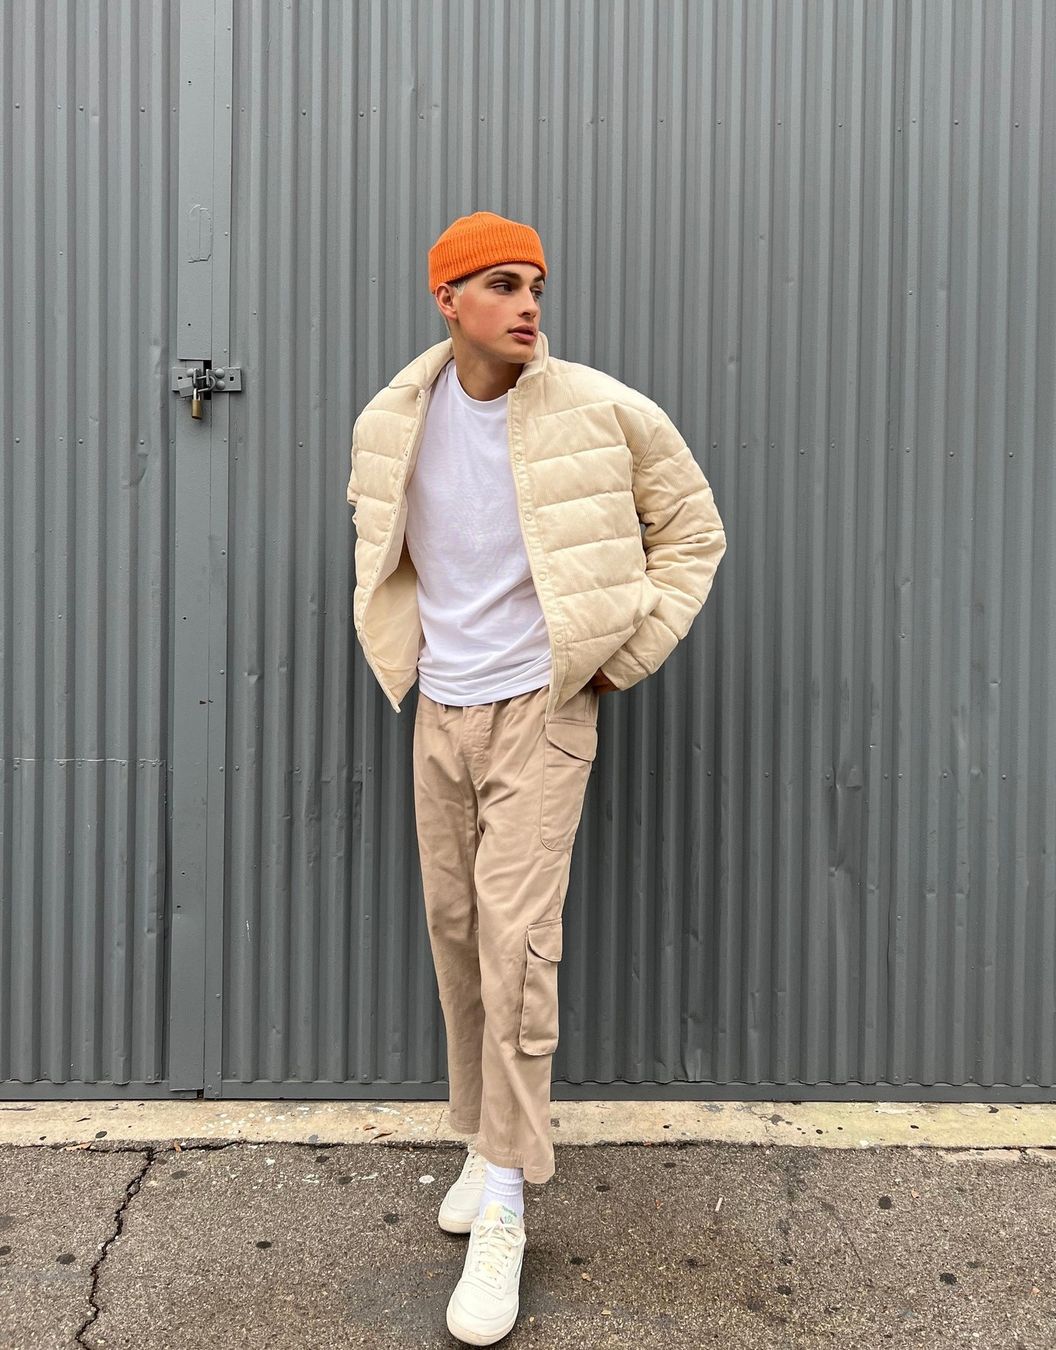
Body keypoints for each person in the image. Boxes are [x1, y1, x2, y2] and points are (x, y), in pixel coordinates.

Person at [346, 210, 726, 1346]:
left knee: (518, 944)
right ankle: (482, 1140)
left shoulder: (603, 410)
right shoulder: (392, 420)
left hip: (541, 713)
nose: (527, 305)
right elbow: (383, 548)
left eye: (537, 286)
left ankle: (508, 1197)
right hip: (441, 708)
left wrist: (621, 656)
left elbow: (693, 531)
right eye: (503, 284)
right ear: (447, 299)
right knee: (459, 932)